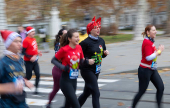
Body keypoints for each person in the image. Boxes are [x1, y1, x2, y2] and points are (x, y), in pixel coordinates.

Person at [51, 29, 95, 108]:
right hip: (65, 81)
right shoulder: (64, 50)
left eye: (78, 37)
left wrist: (88, 61)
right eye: (76, 37)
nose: (78, 39)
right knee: (76, 106)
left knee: (67, 106)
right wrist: (63, 67)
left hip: (74, 81)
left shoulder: (79, 48)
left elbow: (81, 61)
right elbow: (53, 60)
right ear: (69, 39)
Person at [130, 25, 164, 108]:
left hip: (152, 69)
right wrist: (159, 51)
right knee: (142, 91)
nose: (156, 31)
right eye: (153, 30)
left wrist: (158, 51)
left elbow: (153, 55)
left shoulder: (151, 41)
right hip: (144, 70)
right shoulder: (147, 42)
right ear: (148, 32)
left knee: (161, 87)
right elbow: (148, 57)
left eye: (155, 30)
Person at [78, 16, 109, 108]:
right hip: (87, 70)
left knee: (87, 92)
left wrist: (105, 54)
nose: (98, 29)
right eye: (95, 28)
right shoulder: (85, 43)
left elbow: (102, 54)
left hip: (96, 70)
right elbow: (77, 58)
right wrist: (87, 61)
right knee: (96, 92)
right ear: (90, 30)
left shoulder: (101, 40)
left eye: (99, 27)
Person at [0, 30, 34, 107]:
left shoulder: (20, 59)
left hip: (21, 101)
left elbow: (17, 75)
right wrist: (8, 87)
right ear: (8, 44)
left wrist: (25, 81)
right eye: (16, 41)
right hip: (7, 104)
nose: (19, 44)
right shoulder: (3, 62)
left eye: (20, 41)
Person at [46, 29, 67, 108]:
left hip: (62, 69)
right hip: (58, 70)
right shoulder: (59, 45)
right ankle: (49, 104)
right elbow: (57, 59)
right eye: (65, 34)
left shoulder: (64, 44)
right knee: (58, 88)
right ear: (61, 36)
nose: (67, 35)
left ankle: (50, 104)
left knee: (63, 88)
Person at [22, 26, 42, 94]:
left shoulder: (34, 39)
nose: (34, 32)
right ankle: (21, 83)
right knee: (28, 76)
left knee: (38, 74)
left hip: (35, 61)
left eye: (34, 31)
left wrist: (38, 52)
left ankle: (36, 89)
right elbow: (23, 52)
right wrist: (30, 57)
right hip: (28, 62)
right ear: (29, 33)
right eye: (33, 31)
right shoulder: (26, 40)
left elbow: (34, 49)